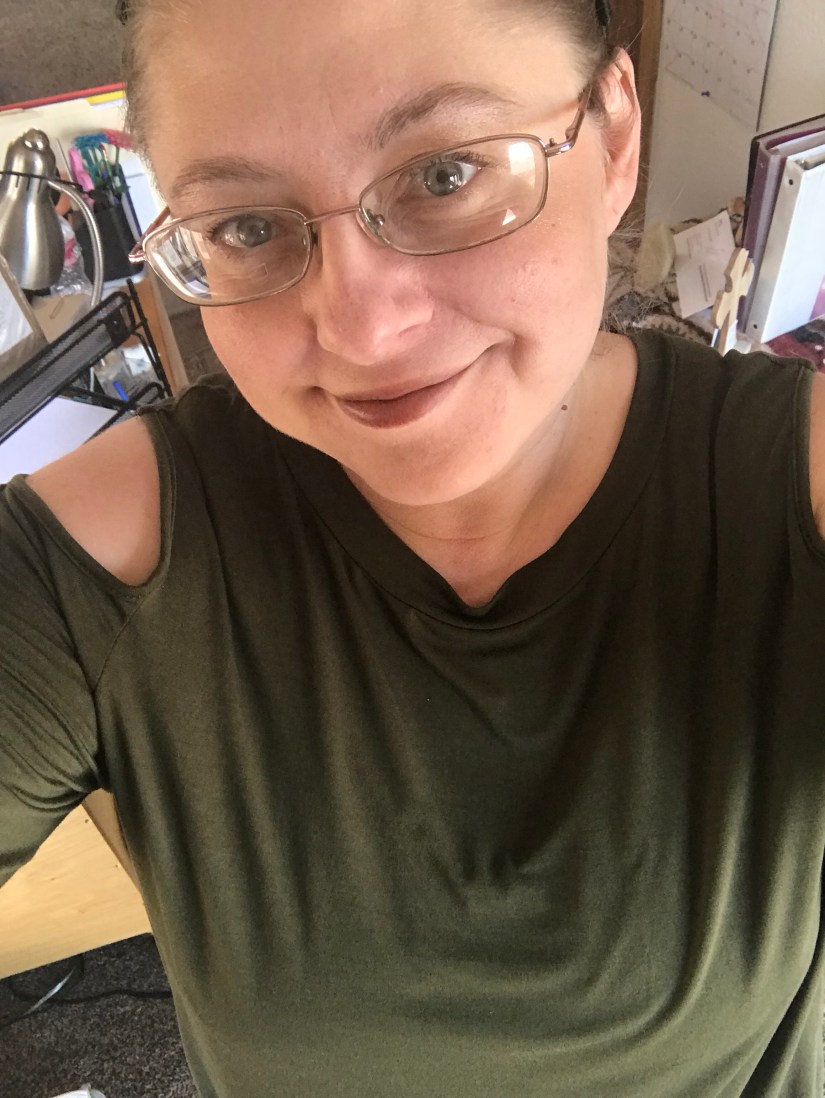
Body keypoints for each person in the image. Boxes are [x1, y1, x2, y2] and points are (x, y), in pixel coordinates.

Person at [2, 0, 825, 1094]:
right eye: (245, 225)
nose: (362, 329)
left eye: (445, 175)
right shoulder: (104, 563)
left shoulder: (795, 488)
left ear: (615, 135)